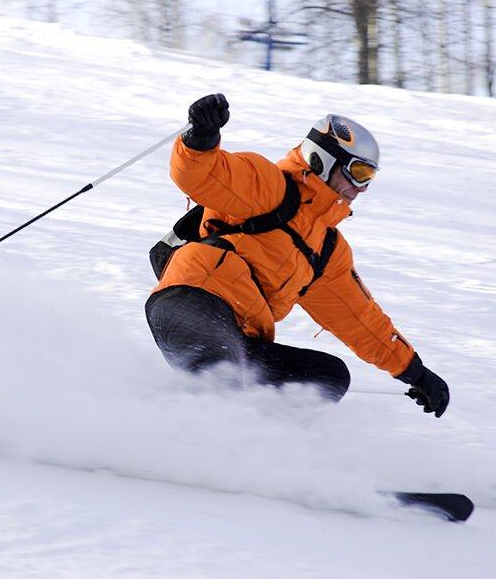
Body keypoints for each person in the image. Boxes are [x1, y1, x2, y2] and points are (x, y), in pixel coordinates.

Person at [145, 94, 449, 417]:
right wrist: (201, 138)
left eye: (369, 178)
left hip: (237, 335)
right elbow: (203, 175)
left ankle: (237, 451)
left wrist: (416, 373)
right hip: (194, 301)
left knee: (326, 379)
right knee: (226, 387)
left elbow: (362, 321)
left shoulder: (326, 251)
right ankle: (173, 437)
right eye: (358, 172)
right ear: (323, 159)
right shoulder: (269, 187)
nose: (362, 189)